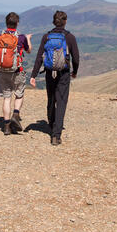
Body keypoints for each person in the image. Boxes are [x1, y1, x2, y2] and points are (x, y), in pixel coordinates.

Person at [30, 10, 79, 145]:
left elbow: (39, 57)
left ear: (53, 21)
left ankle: (51, 125)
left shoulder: (46, 37)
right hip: (63, 74)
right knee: (61, 102)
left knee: (51, 100)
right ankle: (56, 135)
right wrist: (74, 71)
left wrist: (33, 75)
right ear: (65, 22)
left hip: (49, 73)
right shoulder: (70, 37)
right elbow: (76, 58)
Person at [0, 12, 31, 135]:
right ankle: (15, 114)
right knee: (19, 94)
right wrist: (28, 39)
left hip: (3, 71)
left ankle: (7, 126)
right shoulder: (21, 37)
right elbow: (28, 50)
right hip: (17, 71)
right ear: (17, 23)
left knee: (7, 98)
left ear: (6, 23)